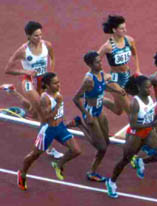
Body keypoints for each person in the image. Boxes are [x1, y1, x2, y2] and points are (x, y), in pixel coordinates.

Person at [105, 75, 157, 198]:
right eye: (146, 88)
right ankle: (111, 182)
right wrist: (152, 124)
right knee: (125, 160)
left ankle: (139, 160)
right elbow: (133, 125)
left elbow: (151, 112)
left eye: (150, 87)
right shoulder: (135, 103)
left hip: (148, 132)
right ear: (139, 88)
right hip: (135, 135)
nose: (149, 90)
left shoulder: (149, 98)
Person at [3, 21, 63, 158]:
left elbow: (52, 58)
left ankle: (13, 92)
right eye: (36, 36)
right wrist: (25, 71)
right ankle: (48, 147)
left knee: (34, 111)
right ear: (28, 36)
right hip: (29, 82)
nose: (39, 38)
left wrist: (50, 75)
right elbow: (8, 69)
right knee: (43, 113)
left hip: (43, 82)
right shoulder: (23, 51)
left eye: (41, 35)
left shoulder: (47, 45)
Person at [17, 72, 81, 191]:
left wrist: (65, 123)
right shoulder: (45, 98)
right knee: (34, 155)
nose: (58, 85)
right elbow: (45, 118)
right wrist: (58, 105)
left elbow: (60, 113)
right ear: (47, 85)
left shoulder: (57, 94)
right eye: (55, 83)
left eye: (58, 82)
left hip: (60, 127)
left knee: (76, 150)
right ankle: (22, 173)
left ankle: (59, 164)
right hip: (48, 130)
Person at [71, 51, 126, 182]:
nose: (100, 63)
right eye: (97, 62)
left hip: (99, 111)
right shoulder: (88, 80)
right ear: (90, 64)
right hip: (91, 114)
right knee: (102, 148)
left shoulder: (101, 73)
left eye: (100, 61)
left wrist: (116, 90)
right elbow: (76, 98)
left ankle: (81, 125)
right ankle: (91, 172)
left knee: (106, 142)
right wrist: (87, 114)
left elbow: (102, 87)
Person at [98, 15, 141, 116]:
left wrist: (138, 69)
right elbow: (94, 61)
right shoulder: (108, 47)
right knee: (130, 111)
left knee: (118, 111)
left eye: (125, 28)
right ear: (114, 30)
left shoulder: (129, 41)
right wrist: (103, 74)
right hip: (115, 80)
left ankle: (98, 99)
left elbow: (135, 54)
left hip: (127, 75)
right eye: (122, 28)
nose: (125, 30)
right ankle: (136, 131)